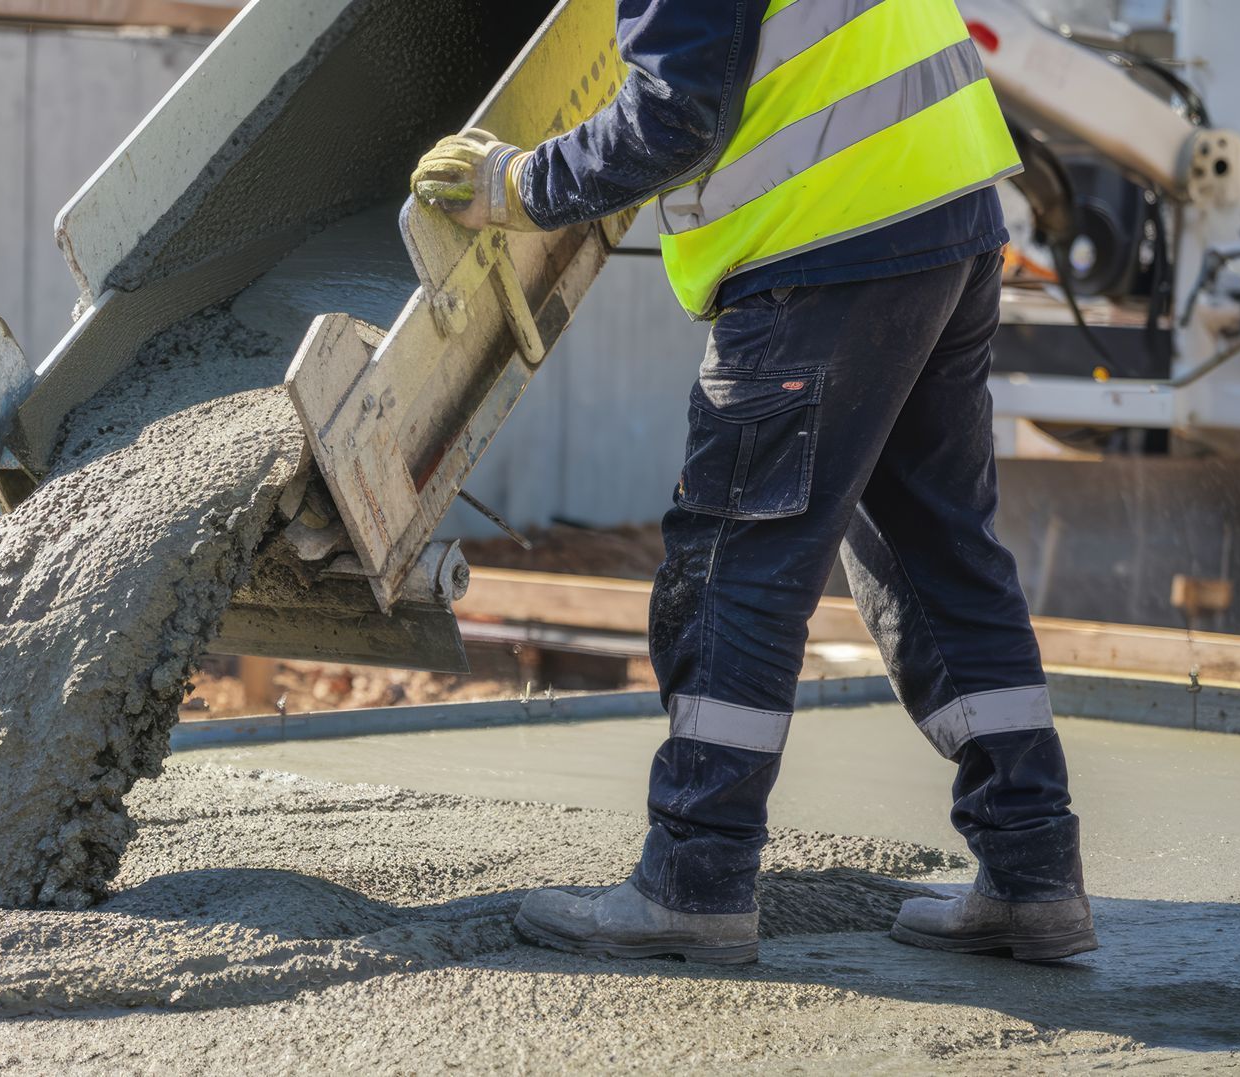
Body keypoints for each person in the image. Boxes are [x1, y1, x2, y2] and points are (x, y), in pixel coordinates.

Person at [412, 0, 1093, 966]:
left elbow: (674, 117)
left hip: (823, 248)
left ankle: (695, 877)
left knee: (735, 561)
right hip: (945, 218)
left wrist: (517, 183)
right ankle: (1033, 870)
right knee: (937, 552)